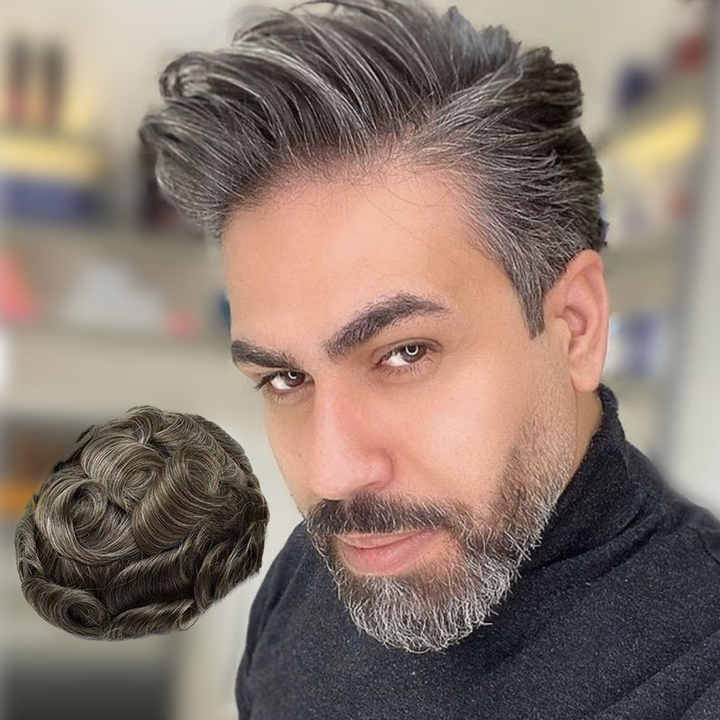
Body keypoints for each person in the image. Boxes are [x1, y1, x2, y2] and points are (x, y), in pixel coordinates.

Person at [138, 1, 720, 717]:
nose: (333, 475)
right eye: (286, 378)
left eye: (404, 353)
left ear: (576, 326)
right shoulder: (305, 582)